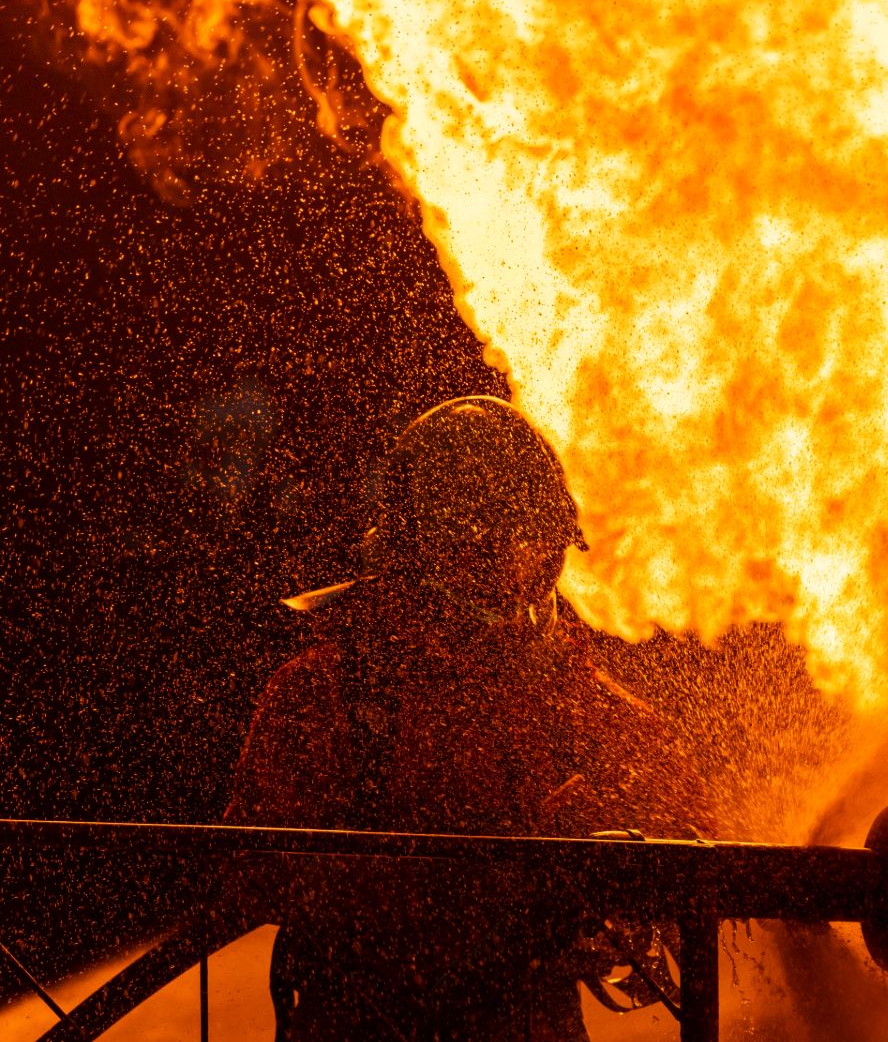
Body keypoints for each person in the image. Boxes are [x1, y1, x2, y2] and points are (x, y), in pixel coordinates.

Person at [226, 395, 688, 1040]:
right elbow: (251, 872)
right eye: (483, 549)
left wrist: (626, 849)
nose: (513, 571)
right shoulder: (329, 690)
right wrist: (484, 887)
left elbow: (688, 810)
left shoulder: (566, 690)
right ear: (417, 551)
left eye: (533, 547)